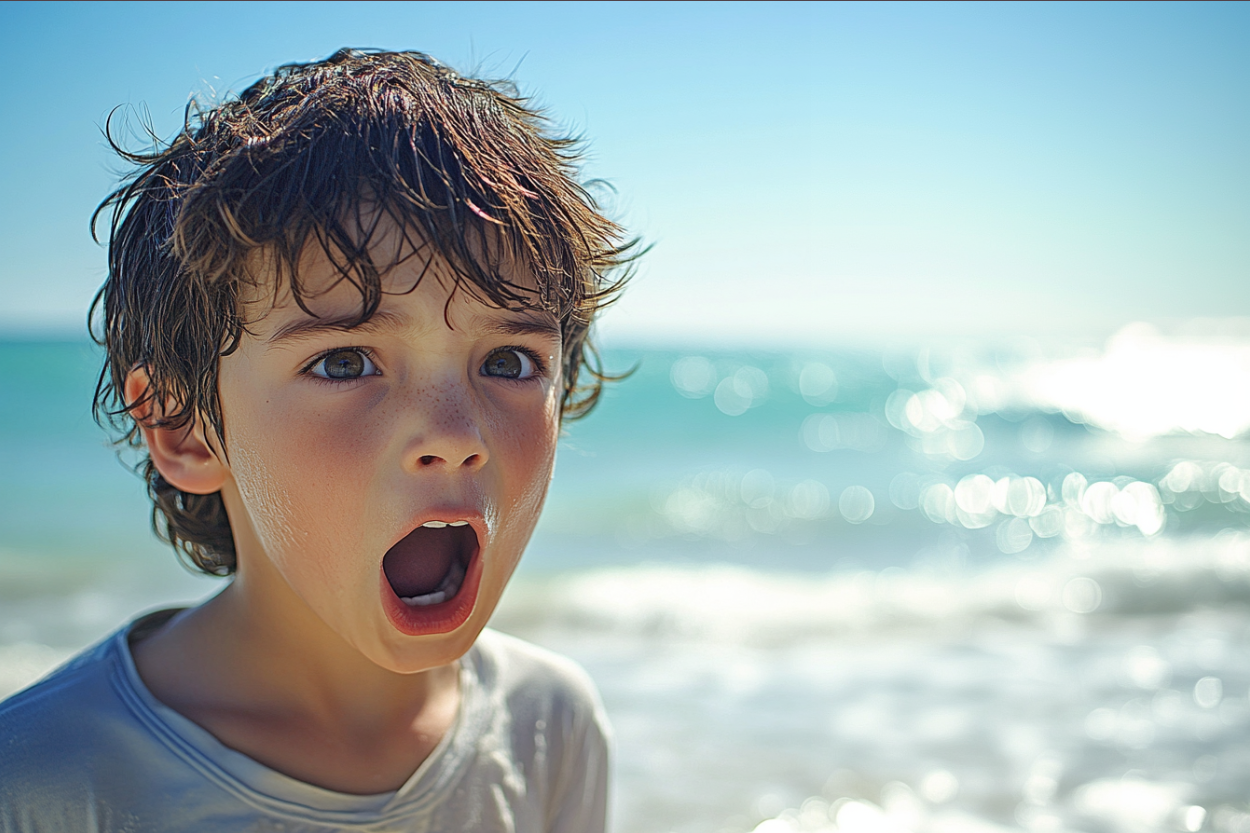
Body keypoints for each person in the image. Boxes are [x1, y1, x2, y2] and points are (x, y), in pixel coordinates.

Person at [0, 48, 634, 832]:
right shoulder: (43, 780)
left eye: (508, 361)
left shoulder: (551, 727)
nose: (452, 435)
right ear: (184, 427)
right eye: (345, 361)